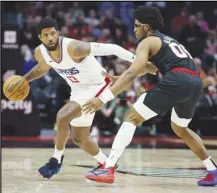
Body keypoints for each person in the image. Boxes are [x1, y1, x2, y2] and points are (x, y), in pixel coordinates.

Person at [82, 6, 217, 186]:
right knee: (180, 128)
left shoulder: (147, 42)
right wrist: (119, 78)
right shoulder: (168, 41)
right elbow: (146, 69)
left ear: (146, 26)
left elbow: (132, 74)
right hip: (195, 82)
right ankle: (213, 169)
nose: (134, 30)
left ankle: (108, 167)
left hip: (177, 80)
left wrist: (102, 99)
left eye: (136, 26)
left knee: (132, 117)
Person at [22, 17, 156, 179]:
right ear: (40, 38)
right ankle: (106, 163)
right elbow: (43, 67)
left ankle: (56, 160)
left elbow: (114, 48)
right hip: (78, 90)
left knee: (62, 117)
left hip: (98, 85)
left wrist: (141, 62)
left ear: (58, 33)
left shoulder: (74, 48)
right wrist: (25, 79)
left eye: (52, 33)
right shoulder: (40, 52)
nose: (50, 37)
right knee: (80, 138)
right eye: (46, 35)